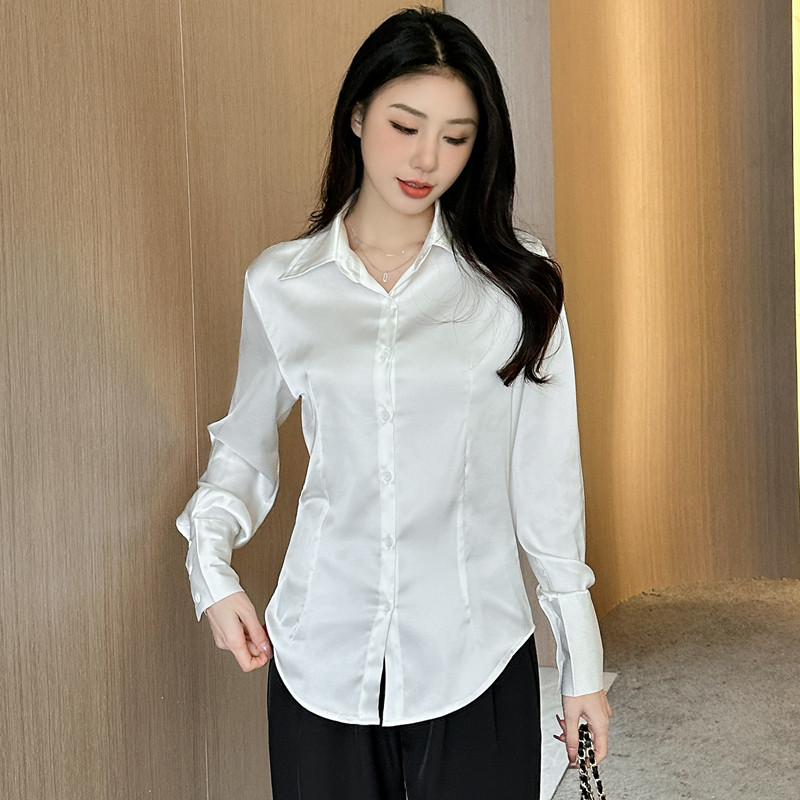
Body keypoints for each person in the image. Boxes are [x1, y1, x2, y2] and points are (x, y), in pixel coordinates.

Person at [176, 6, 611, 799]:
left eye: (456, 136)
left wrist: (581, 662)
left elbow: (548, 483)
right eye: (405, 125)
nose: (426, 159)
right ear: (357, 115)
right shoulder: (282, 284)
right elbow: (244, 449)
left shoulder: (516, 284)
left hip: (478, 654)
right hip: (319, 656)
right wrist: (212, 571)